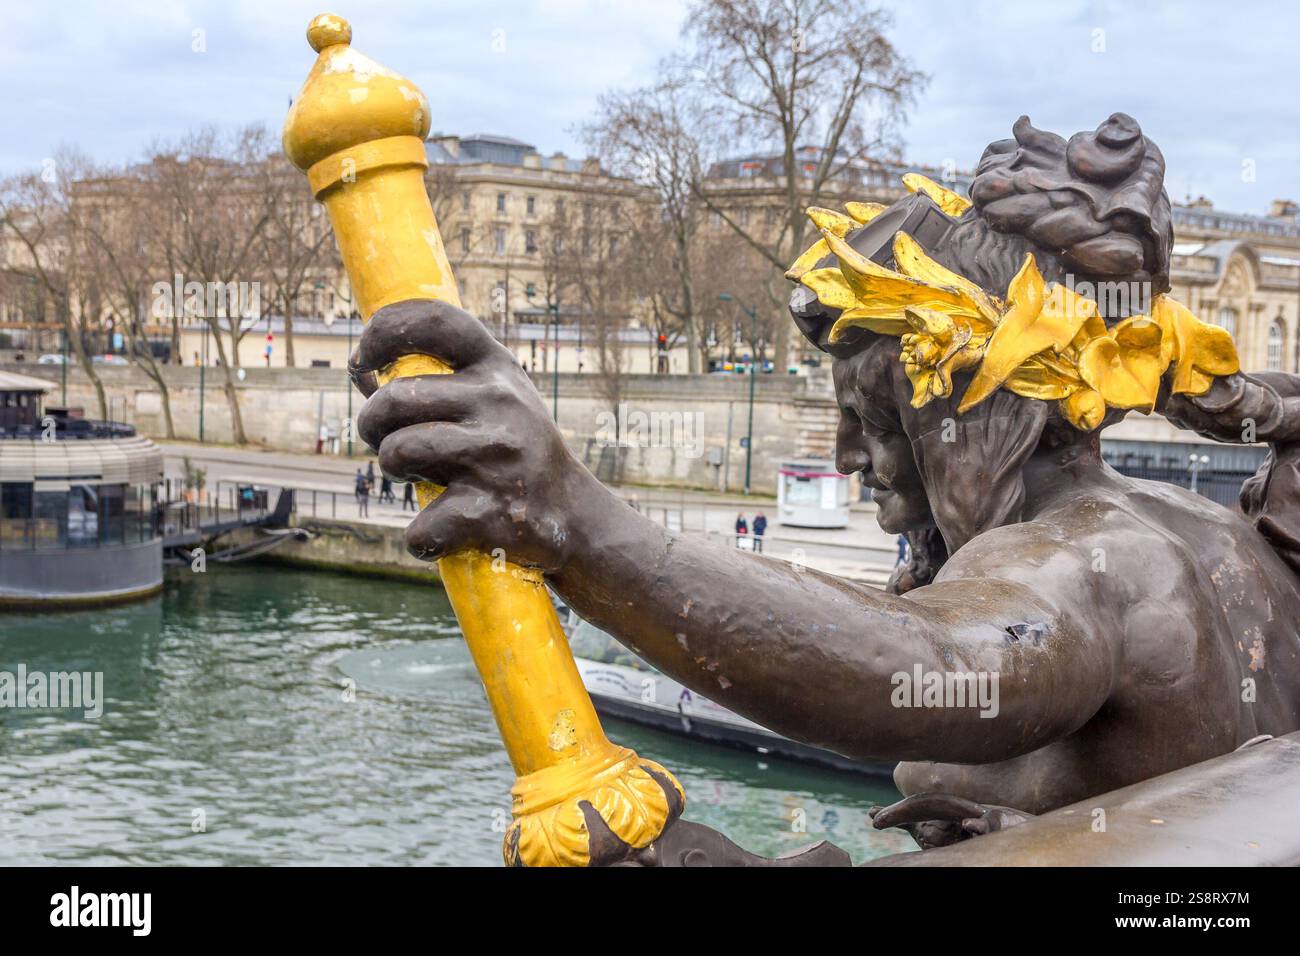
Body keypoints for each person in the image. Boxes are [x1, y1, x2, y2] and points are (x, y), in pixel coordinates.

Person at [348, 114, 1300, 860]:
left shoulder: (1090, 562)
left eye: (880, 418)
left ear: (982, 406)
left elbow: (929, 664)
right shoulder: (1228, 535)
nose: (850, 454)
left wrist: (575, 521)